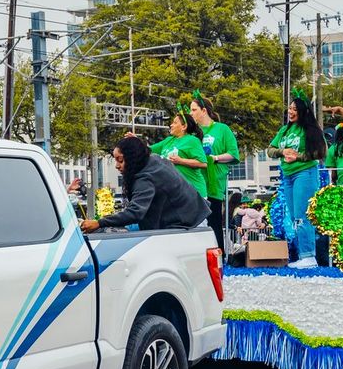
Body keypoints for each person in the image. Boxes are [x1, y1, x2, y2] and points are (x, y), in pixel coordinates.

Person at [81, 136, 207, 233]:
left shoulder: (145, 178)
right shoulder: (155, 160)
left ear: (131, 158)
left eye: (120, 160)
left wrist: (99, 223)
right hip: (195, 217)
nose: (117, 165)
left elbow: (135, 212)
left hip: (187, 225)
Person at [266, 89, 328, 268]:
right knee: (294, 217)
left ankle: (309, 256)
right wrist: (282, 151)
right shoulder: (285, 130)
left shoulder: (310, 130)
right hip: (288, 176)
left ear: (303, 111)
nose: (290, 112)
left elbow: (319, 152)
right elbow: (270, 149)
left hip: (305, 174)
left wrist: (298, 157)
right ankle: (303, 255)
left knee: (302, 216)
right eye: (290, 108)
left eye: (294, 109)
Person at [189, 92, 239, 253]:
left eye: (193, 110)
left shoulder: (222, 129)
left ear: (204, 111)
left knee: (214, 221)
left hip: (214, 182)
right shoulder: (192, 133)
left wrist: (215, 158)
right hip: (195, 182)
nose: (191, 114)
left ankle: (218, 256)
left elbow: (233, 154)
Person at [151, 110, 209, 199]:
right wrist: (135, 140)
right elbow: (148, 150)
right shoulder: (169, 140)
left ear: (184, 126)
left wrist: (181, 161)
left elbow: (203, 163)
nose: (171, 125)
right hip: (177, 193)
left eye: (174, 123)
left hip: (194, 194)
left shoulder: (192, 140)